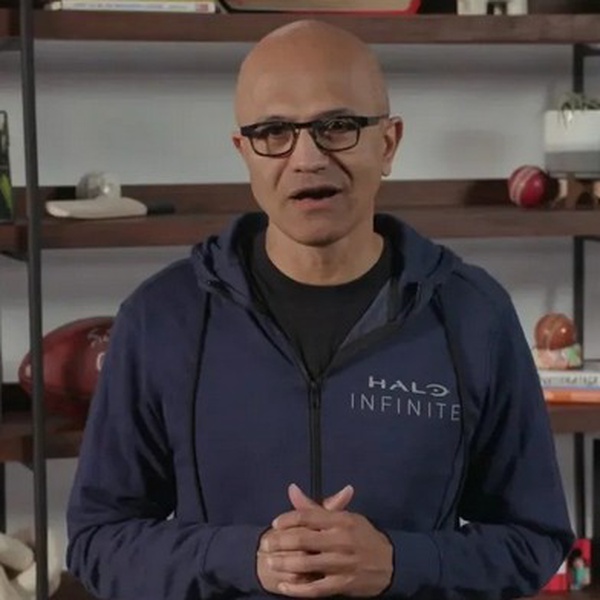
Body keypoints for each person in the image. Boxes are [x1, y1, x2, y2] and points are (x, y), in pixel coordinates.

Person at [66, 19, 574, 600]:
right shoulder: (161, 317)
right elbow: (98, 540)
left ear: (388, 143)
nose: (306, 158)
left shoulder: (473, 314)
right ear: (244, 152)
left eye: (337, 126)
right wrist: (244, 558)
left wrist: (401, 562)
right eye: (274, 132)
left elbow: (534, 538)